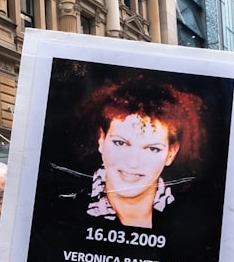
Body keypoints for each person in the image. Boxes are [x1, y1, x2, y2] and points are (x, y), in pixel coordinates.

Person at [83, 77, 206, 229]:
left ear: (171, 153)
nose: (133, 162)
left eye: (152, 149)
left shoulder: (191, 222)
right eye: (120, 143)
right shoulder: (64, 211)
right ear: (101, 140)